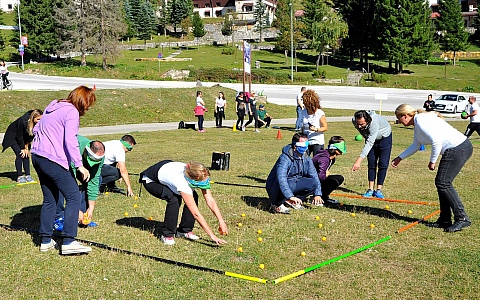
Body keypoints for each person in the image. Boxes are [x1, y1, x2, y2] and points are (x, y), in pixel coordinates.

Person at [31, 85, 95, 255]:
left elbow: (36, 129)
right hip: (51, 158)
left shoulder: (53, 105)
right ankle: (69, 241)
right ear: (83, 102)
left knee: (50, 198)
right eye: (88, 104)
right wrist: (79, 165)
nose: (87, 109)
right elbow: (70, 140)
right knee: (73, 195)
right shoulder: (71, 112)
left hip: (37, 155)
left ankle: (45, 240)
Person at [392, 104, 472, 233]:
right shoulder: (418, 123)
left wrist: (432, 161)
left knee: (443, 183)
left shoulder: (420, 120)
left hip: (458, 148)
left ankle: (462, 218)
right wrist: (399, 158)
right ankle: (445, 220)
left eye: (398, 118)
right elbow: (416, 145)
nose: (398, 121)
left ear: (405, 116)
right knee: (442, 183)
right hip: (458, 148)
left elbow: (436, 141)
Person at [139, 160, 228, 245]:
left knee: (194, 196)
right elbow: (196, 214)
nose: (206, 183)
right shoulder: (182, 183)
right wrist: (213, 236)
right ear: (195, 179)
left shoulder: (196, 173)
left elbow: (210, 200)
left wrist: (221, 221)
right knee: (174, 199)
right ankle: (167, 235)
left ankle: (184, 231)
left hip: (167, 170)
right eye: (204, 181)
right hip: (151, 179)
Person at [54, 136, 105, 231]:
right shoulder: (74, 148)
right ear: (86, 151)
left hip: (79, 165)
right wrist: (75, 210)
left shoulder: (100, 157)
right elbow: (69, 184)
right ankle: (58, 218)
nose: (91, 165)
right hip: (62, 163)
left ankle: (82, 215)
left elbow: (93, 181)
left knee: (98, 179)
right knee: (60, 184)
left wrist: (91, 208)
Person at [266, 133, 323, 214]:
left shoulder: (306, 157)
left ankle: (294, 201)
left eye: (307, 144)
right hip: (276, 186)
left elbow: (314, 174)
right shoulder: (284, 158)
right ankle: (276, 204)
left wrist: (317, 194)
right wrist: (290, 196)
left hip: (294, 182)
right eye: (303, 145)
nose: (306, 147)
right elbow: (281, 178)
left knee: (313, 183)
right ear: (295, 146)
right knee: (290, 184)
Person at [352, 110, 392, 199]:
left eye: (362, 124)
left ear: (368, 120)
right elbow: (367, 137)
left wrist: (358, 161)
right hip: (370, 137)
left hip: (384, 138)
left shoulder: (374, 122)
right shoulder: (354, 120)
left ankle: (378, 190)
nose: (359, 126)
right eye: (358, 123)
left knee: (383, 164)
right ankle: (370, 189)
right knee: (371, 163)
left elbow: (370, 142)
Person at [2, 109, 43, 183]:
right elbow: (19, 135)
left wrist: (26, 147)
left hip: (23, 138)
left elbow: (30, 136)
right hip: (13, 136)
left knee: (26, 154)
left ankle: (28, 175)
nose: (40, 121)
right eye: (38, 119)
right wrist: (22, 148)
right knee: (20, 154)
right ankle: (19, 176)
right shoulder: (23, 121)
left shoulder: (36, 125)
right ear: (33, 118)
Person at [312, 136, 346, 205]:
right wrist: (325, 174)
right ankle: (317, 197)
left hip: (317, 179)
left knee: (339, 178)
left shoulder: (331, 158)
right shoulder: (324, 158)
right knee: (333, 181)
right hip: (311, 180)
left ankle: (324, 197)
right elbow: (321, 176)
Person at [302, 89, 327, 157]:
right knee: (303, 159)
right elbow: (303, 125)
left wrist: (316, 129)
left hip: (317, 141)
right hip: (306, 140)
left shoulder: (319, 113)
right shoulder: (304, 111)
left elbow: (325, 127)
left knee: (316, 161)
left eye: (305, 102)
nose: (303, 103)